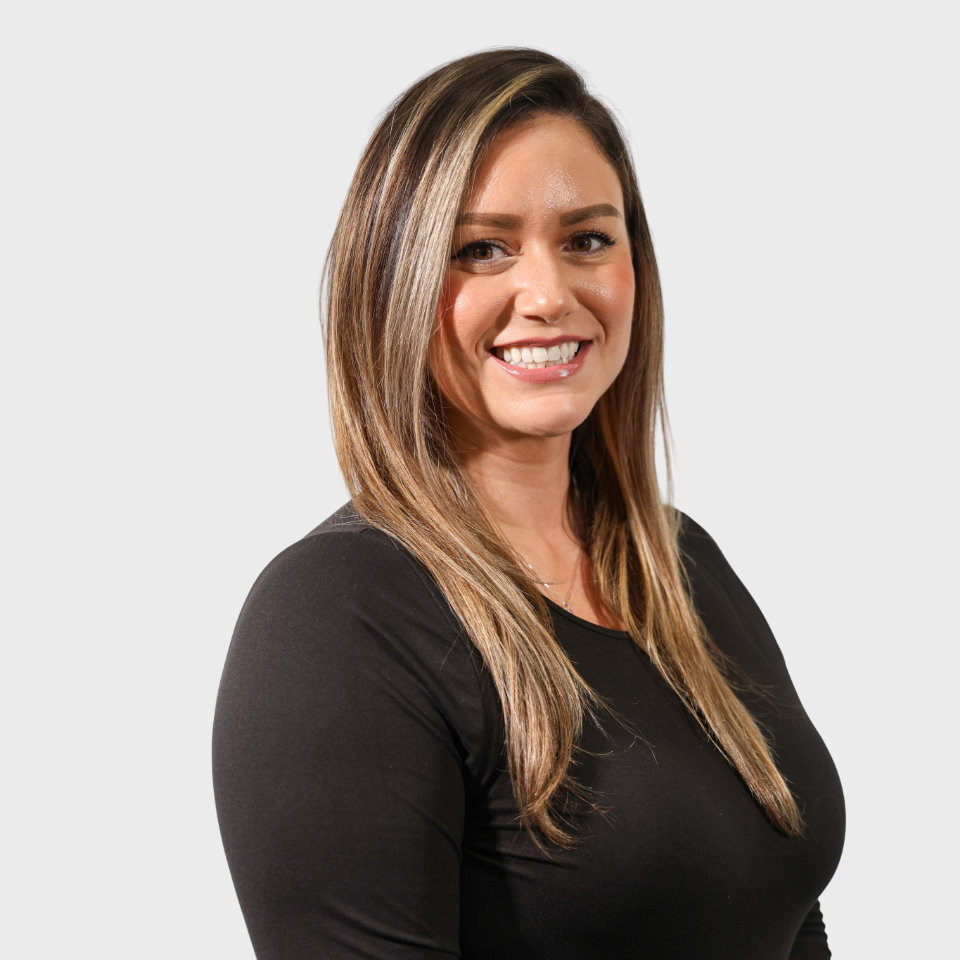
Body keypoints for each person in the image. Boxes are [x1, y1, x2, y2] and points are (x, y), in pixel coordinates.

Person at [212, 48, 845, 959]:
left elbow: (782, 913)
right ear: (394, 283)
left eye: (588, 238)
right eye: (482, 249)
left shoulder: (679, 562)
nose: (549, 294)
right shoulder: (335, 621)